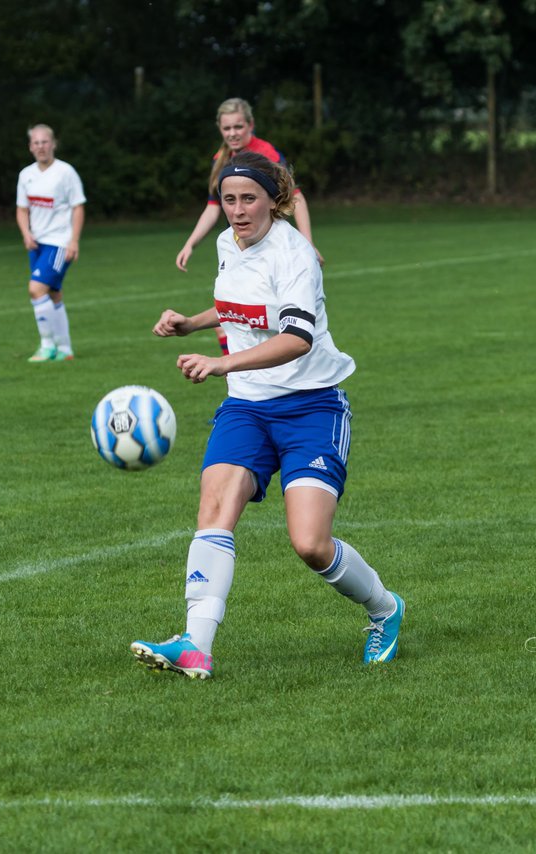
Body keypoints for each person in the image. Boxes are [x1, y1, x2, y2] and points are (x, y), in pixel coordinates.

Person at [133, 151, 404, 680]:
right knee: (214, 509)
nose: (237, 211)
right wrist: (191, 323)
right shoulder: (226, 243)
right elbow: (240, 305)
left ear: (274, 200)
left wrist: (221, 362)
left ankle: (385, 610)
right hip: (246, 406)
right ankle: (195, 645)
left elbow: (297, 337)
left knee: (309, 543)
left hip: (312, 406)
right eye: (229, 200)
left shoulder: (294, 254)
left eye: (248, 199)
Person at [175, 98, 324, 356]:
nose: (232, 133)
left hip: (267, 246)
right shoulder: (220, 160)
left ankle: (241, 366)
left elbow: (295, 196)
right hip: (240, 244)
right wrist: (191, 243)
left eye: (238, 127)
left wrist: (307, 242)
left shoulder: (265, 155)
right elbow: (212, 206)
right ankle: (237, 372)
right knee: (230, 314)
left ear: (251, 125)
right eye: (227, 128)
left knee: (269, 316)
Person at [15, 123, 86, 362]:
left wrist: (73, 241)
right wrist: (26, 233)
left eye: (44, 141)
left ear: (53, 144)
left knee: (36, 289)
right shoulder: (26, 175)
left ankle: (46, 346)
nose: (40, 146)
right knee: (53, 293)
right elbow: (22, 209)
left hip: (58, 242)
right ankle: (65, 350)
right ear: (30, 147)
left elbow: (78, 207)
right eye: (36, 142)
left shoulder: (66, 172)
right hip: (37, 244)